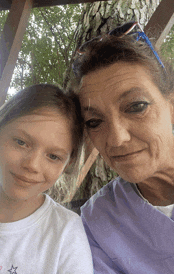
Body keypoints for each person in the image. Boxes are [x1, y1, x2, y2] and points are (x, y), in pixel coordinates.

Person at [0, 84, 93, 273]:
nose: (32, 165)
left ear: (67, 164)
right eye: (21, 142)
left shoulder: (66, 232)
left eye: (53, 156)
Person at [70, 21, 174, 273]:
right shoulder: (97, 222)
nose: (116, 139)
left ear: (171, 107)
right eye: (94, 122)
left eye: (136, 106)